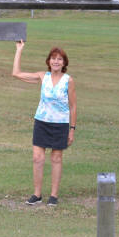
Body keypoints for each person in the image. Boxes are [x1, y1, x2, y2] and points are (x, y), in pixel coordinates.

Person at [11, 39, 76, 207]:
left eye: (59, 59)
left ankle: (53, 196)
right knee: (37, 158)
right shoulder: (42, 76)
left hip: (60, 124)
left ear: (64, 63)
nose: (56, 61)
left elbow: (73, 106)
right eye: (53, 58)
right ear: (49, 61)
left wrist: (72, 130)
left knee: (56, 158)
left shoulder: (68, 80)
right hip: (42, 122)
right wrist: (19, 49)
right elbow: (16, 73)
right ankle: (37, 194)